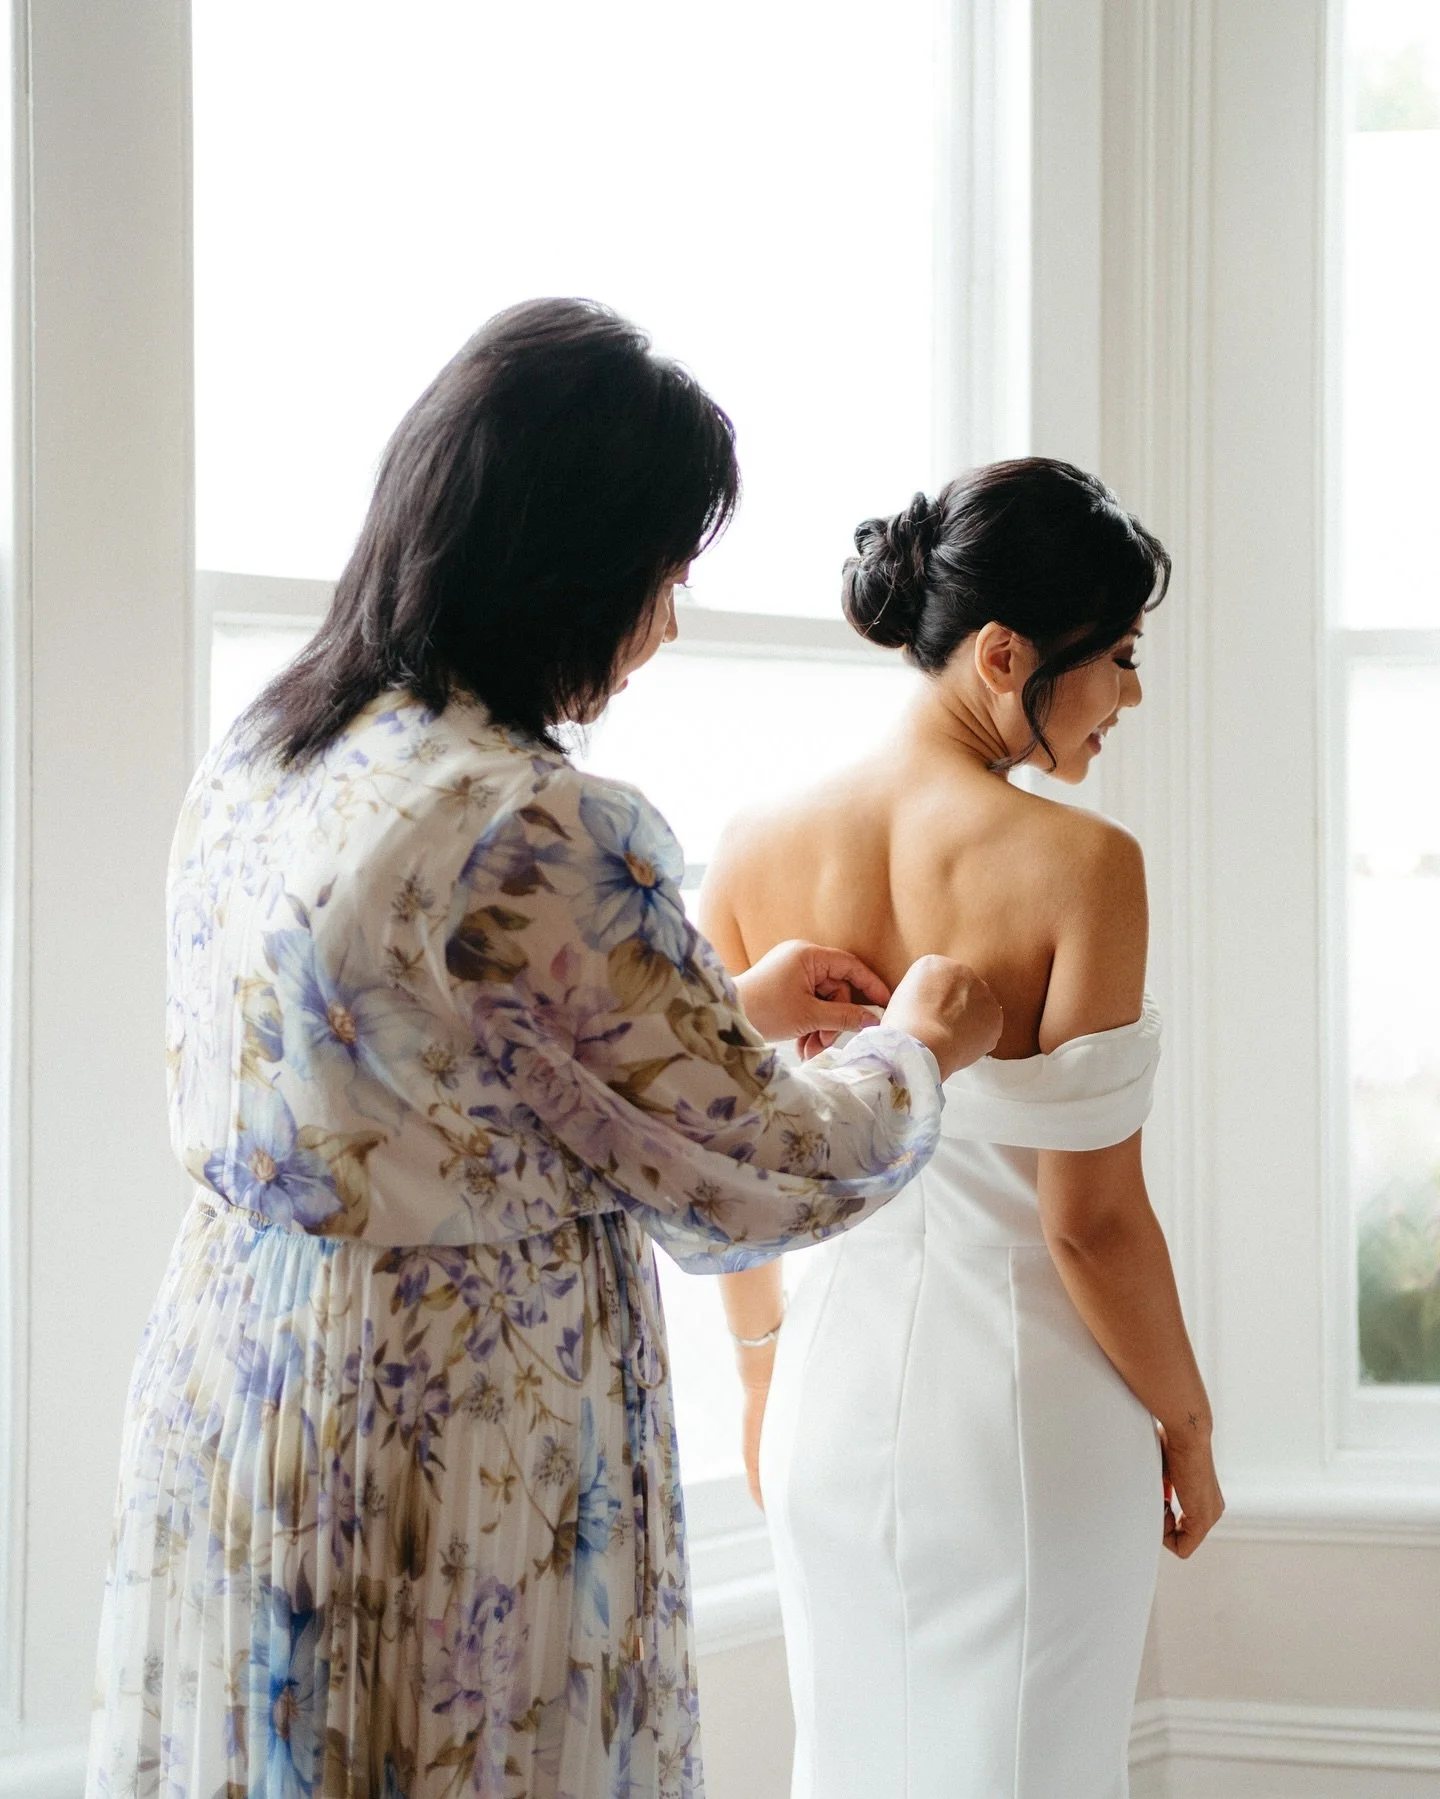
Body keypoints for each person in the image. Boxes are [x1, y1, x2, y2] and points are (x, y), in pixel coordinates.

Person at [85, 301, 1003, 1799]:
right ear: (572, 565)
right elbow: (765, 1170)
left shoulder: (275, 750)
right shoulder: (539, 819)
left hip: (244, 1378)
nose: (669, 618)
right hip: (447, 1414)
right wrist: (915, 1047)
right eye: (666, 571)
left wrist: (726, 998)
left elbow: (417, 1051)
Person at [702, 459, 1223, 1799]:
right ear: (1006, 655)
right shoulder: (1085, 867)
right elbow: (1091, 1223)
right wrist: (1188, 1421)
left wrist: (760, 1375)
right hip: (1026, 1422)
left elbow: (724, 1159)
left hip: (826, 1396)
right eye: (1117, 654)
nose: (1131, 693)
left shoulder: (755, 839)